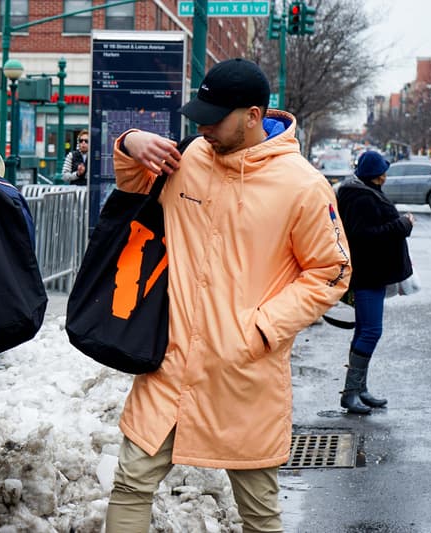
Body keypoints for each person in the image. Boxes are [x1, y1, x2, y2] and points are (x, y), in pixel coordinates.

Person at [103, 58, 351, 532]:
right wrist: (130, 142)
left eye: (215, 117)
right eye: (200, 115)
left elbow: (331, 272)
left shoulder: (303, 185)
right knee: (131, 483)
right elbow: (131, 186)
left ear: (254, 115)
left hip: (244, 372)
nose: (203, 125)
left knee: (258, 510)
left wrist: (260, 329)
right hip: (171, 364)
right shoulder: (190, 156)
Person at [335, 151, 414, 414]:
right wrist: (403, 224)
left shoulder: (362, 190)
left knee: (364, 330)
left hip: (372, 273)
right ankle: (350, 394)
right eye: (384, 171)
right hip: (367, 274)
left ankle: (360, 389)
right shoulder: (360, 197)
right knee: (371, 331)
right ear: (377, 175)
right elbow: (364, 235)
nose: (386, 175)